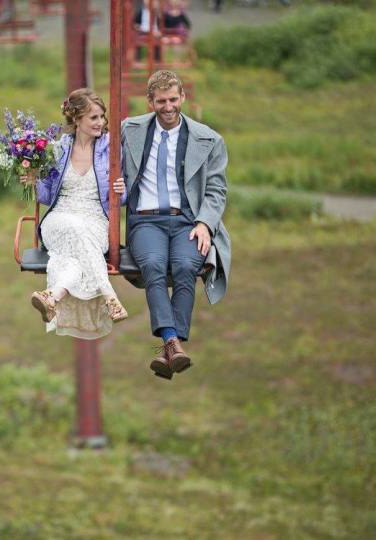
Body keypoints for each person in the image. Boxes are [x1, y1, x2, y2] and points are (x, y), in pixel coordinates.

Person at [121, 70, 231, 380]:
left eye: (173, 99)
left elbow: (216, 189)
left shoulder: (209, 139)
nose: (168, 107)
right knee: (153, 264)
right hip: (146, 220)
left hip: (187, 221)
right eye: (161, 101)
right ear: (150, 102)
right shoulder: (130, 130)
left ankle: (169, 347)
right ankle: (173, 343)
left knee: (185, 266)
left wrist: (205, 223)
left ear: (182, 97)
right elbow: (94, 145)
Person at [22, 88, 129, 339]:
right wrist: (33, 182)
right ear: (77, 119)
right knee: (74, 227)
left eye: (102, 116)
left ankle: (52, 296)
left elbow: (121, 199)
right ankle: (109, 296)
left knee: (72, 258)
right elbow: (47, 195)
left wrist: (121, 190)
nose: (101, 122)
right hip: (60, 217)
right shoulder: (59, 149)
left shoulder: (111, 148)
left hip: (95, 219)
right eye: (94, 117)